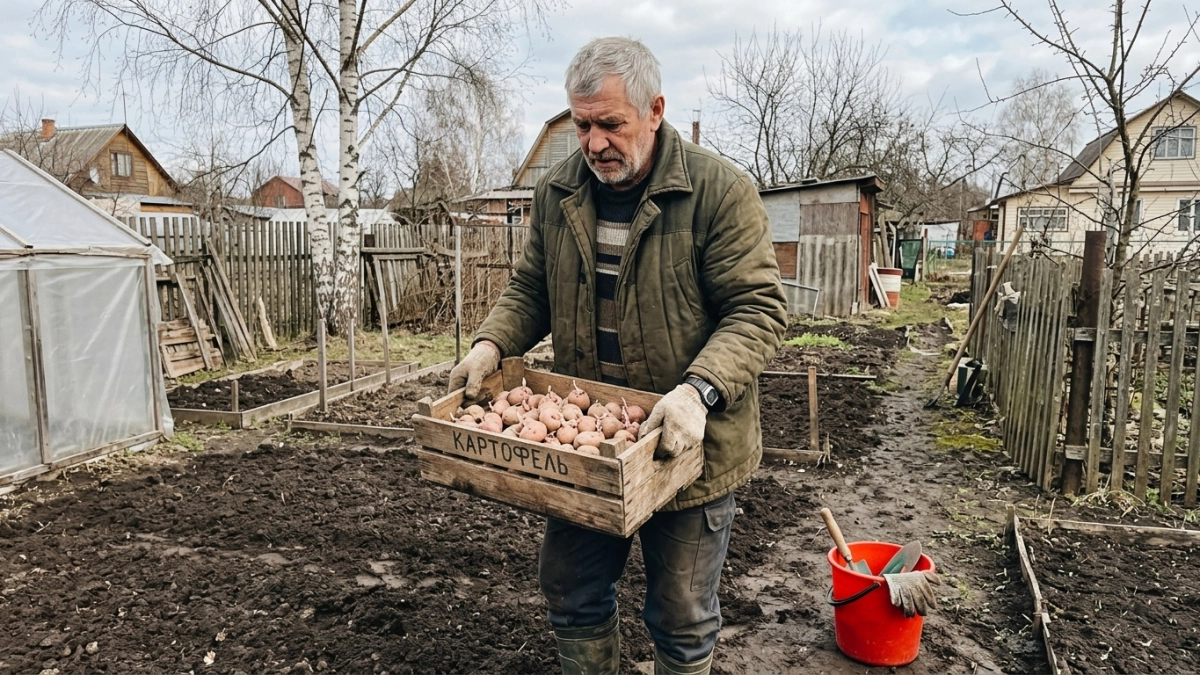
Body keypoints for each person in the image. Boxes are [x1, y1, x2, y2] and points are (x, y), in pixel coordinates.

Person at [448, 36, 786, 675]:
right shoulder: (556, 193)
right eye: (581, 125)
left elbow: (758, 310)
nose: (594, 142)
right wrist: (490, 344)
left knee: (683, 617)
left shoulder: (718, 193)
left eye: (610, 123)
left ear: (655, 110)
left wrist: (698, 391)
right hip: (587, 447)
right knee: (572, 594)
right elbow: (531, 288)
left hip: (691, 446)